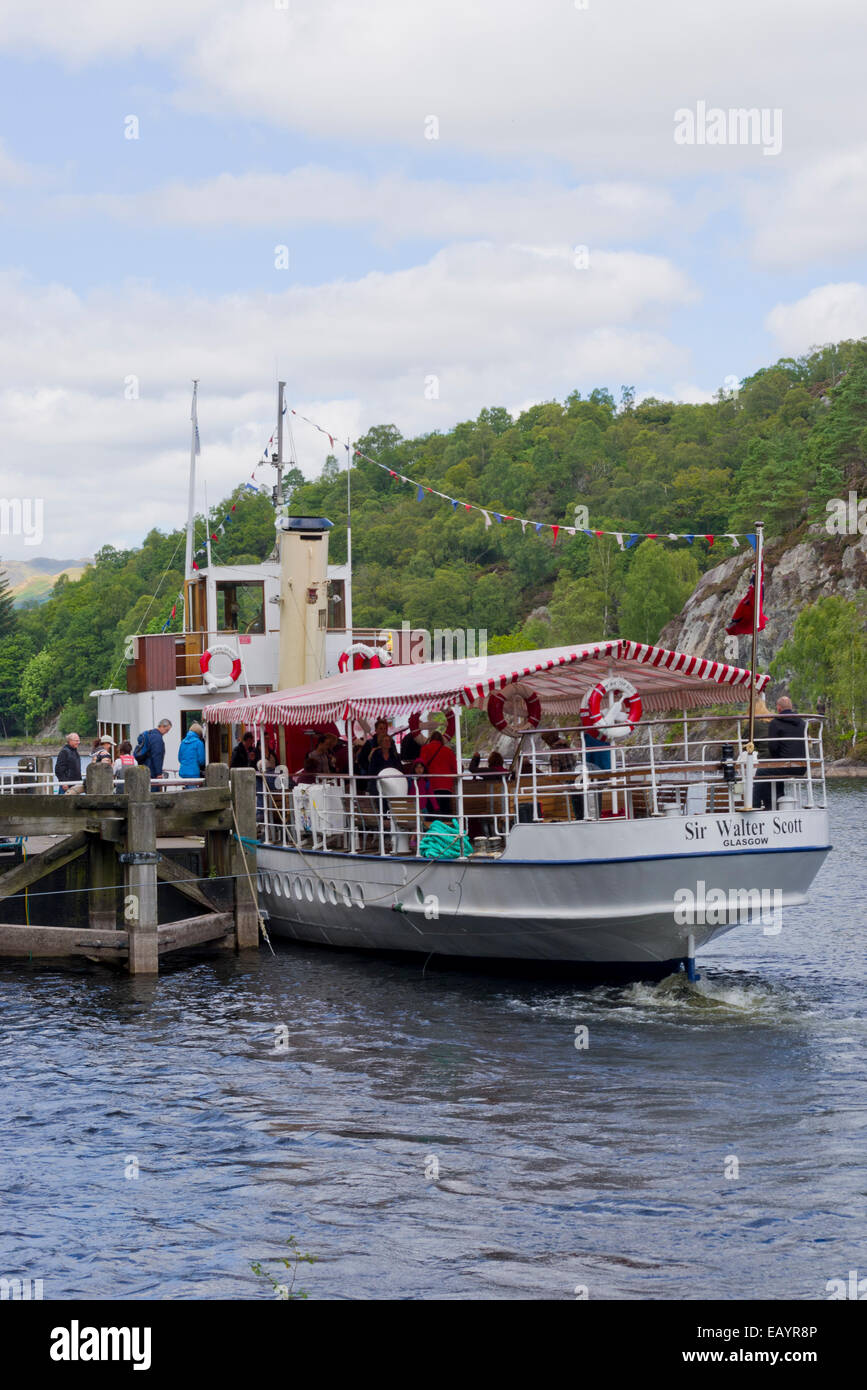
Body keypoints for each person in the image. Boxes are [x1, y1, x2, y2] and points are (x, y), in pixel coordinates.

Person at [755, 696, 806, 810]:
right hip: (802, 766)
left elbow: (773, 747)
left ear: (778, 708)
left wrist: (776, 759)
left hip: (786, 765)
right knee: (773, 772)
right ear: (791, 707)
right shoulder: (802, 722)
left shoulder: (776, 723)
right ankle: (776, 802)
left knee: (761, 771)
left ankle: (755, 805)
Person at [419, 730, 458, 820]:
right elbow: (455, 769)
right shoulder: (449, 751)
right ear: (441, 740)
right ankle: (445, 830)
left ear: (431, 739)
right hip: (446, 786)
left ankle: (433, 830)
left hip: (431, 785)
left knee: (431, 812)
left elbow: (421, 767)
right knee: (445, 811)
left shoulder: (425, 749)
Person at [134, 718, 172, 784]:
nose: (167, 732)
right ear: (162, 726)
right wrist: (159, 773)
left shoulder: (149, 733)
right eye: (167, 730)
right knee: (153, 792)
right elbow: (157, 756)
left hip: (143, 768)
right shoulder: (157, 738)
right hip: (152, 771)